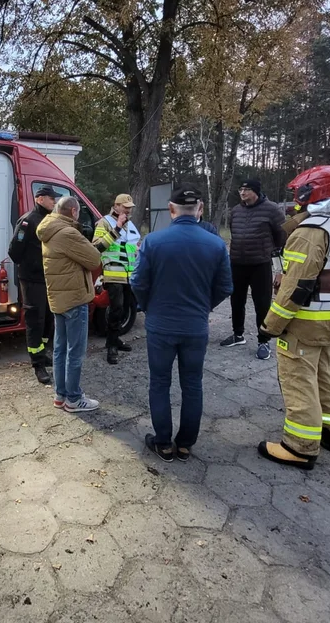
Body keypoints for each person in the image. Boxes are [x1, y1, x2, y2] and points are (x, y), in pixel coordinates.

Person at [257, 165, 330, 470]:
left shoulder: (309, 234)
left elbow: (295, 289)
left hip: (304, 324)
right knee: (325, 375)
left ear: (309, 194)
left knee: (299, 382)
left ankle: (300, 446)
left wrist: (270, 325)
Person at [130, 185, 233, 462]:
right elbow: (226, 286)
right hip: (195, 327)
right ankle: (185, 444)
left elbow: (137, 281)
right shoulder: (216, 244)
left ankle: (163, 443)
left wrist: (149, 306)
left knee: (160, 383)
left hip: (161, 326)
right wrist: (203, 307)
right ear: (200, 210)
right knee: (192, 384)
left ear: (171, 210)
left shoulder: (153, 241)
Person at [36, 196, 103, 413]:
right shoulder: (68, 233)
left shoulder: (49, 229)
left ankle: (60, 395)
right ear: (73, 211)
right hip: (74, 299)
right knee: (75, 352)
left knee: (59, 349)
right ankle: (73, 398)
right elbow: (94, 260)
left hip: (58, 299)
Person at [221, 179, 286, 360]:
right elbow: (235, 234)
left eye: (247, 189)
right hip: (237, 263)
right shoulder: (236, 210)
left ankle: (263, 341)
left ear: (256, 191)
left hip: (260, 264)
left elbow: (282, 238)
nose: (242, 192)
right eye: (241, 189)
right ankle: (238, 334)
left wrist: (280, 269)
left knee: (262, 304)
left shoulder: (272, 210)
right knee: (236, 300)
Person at [8, 186, 60, 384]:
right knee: (35, 321)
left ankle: (43, 353)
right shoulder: (28, 221)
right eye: (50, 198)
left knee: (48, 319)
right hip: (32, 280)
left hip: (47, 278)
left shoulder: (50, 220)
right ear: (39, 199)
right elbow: (15, 251)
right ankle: (37, 364)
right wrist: (32, 264)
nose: (54, 202)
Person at [93, 194, 141, 364]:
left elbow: (132, 247)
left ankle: (114, 340)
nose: (128, 210)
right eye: (125, 207)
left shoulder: (131, 225)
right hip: (113, 275)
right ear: (116, 206)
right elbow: (97, 246)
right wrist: (117, 227)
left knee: (123, 311)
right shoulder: (104, 222)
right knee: (115, 310)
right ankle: (111, 346)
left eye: (130, 207)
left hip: (129, 276)